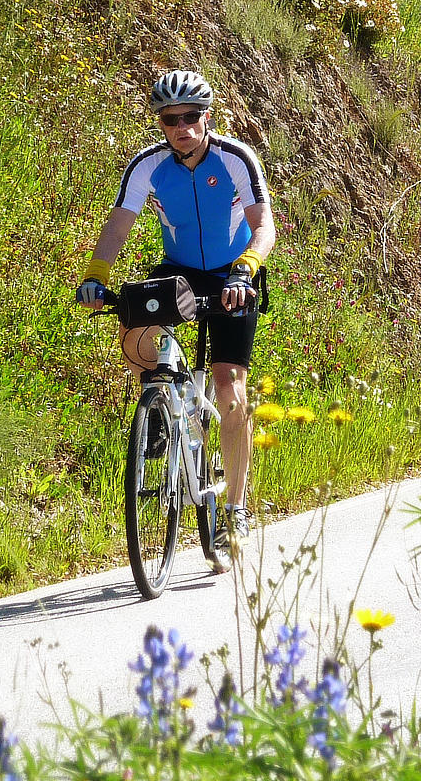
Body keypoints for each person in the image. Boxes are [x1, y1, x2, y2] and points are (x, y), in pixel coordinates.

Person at [76, 70, 275, 560]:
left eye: (191, 117)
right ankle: (162, 404)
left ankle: (235, 510)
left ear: (207, 117)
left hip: (235, 273)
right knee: (134, 325)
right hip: (179, 270)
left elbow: (264, 225)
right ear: (161, 123)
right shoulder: (148, 166)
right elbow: (119, 225)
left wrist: (247, 269)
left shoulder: (235, 159)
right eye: (171, 119)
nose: (181, 126)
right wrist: (97, 272)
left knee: (229, 386)